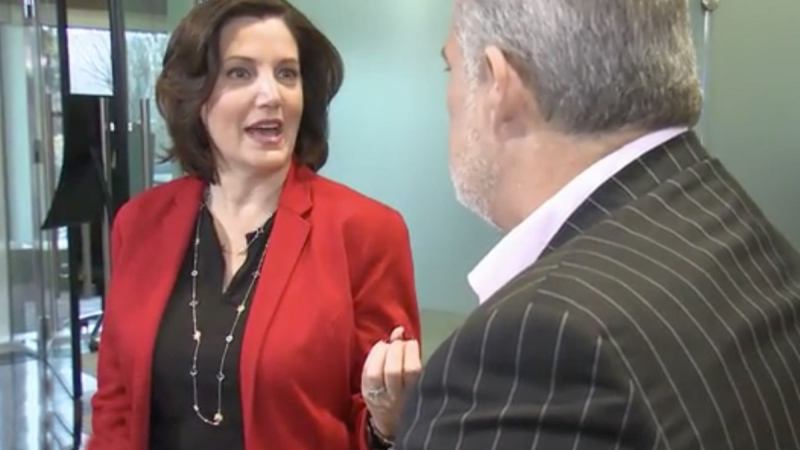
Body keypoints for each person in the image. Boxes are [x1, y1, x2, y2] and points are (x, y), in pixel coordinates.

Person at [396, 0, 800, 449]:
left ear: (498, 85)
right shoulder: (731, 223)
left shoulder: (533, 351)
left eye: (449, 67)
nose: (448, 95)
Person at [88, 1, 421, 449]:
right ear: (195, 96)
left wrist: (387, 423)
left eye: (287, 74)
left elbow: (383, 417)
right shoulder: (140, 223)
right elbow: (116, 402)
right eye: (240, 73)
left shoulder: (367, 232)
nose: (272, 96)